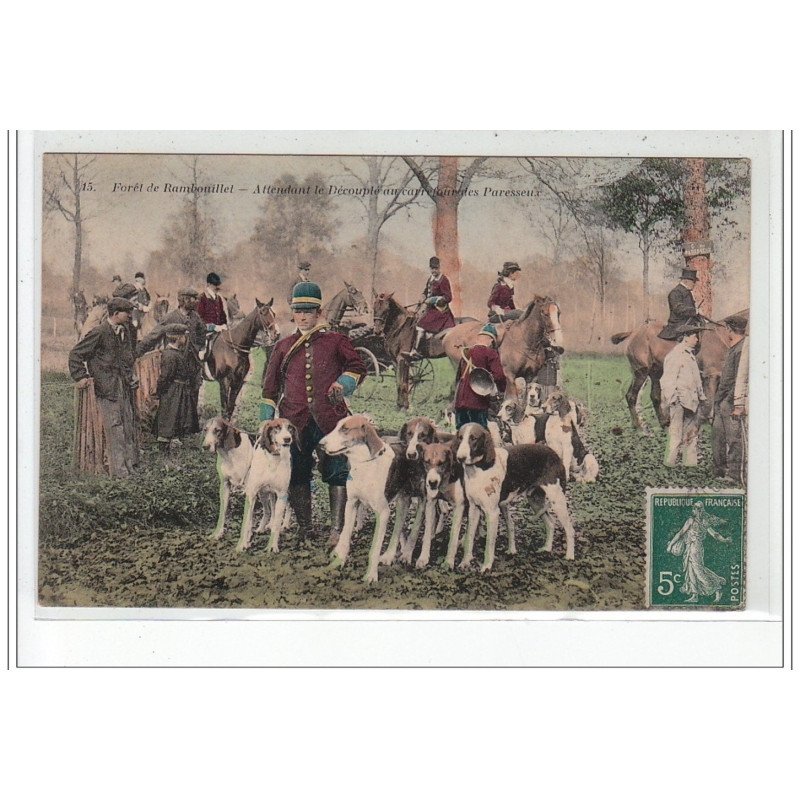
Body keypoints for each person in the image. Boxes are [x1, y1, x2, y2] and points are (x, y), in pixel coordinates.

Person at [260, 281, 367, 544]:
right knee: (297, 470)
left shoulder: (336, 341)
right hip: (294, 422)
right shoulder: (283, 346)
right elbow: (269, 389)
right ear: (293, 313)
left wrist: (344, 383)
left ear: (319, 312)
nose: (304, 316)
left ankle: (337, 529)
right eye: (299, 311)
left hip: (331, 419)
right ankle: (305, 528)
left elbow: (357, 366)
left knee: (337, 470)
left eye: (309, 311)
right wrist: (266, 424)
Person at [68, 297, 140, 478]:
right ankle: (119, 473)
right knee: (114, 428)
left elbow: (125, 359)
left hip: (122, 387)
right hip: (106, 389)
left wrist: (130, 376)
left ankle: (129, 466)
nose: (130, 315)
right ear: (115, 314)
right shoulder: (99, 332)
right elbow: (75, 354)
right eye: (127, 312)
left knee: (127, 426)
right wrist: (81, 376)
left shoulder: (123, 332)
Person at [137, 287, 206, 417]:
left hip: (193, 362)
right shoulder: (170, 318)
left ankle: (190, 423)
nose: (196, 301)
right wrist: (138, 351)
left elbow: (202, 331)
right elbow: (154, 335)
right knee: (175, 392)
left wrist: (200, 348)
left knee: (194, 389)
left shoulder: (195, 317)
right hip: (176, 362)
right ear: (184, 300)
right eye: (193, 299)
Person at [660, 318, 709, 467]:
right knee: (675, 434)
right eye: (694, 336)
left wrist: (701, 396)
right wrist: (673, 399)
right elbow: (667, 380)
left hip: (692, 401)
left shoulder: (690, 355)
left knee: (691, 434)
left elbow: (696, 379)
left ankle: (690, 464)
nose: (697, 339)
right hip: (679, 401)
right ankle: (670, 463)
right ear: (686, 338)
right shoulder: (676, 355)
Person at [667, 501, 732, 603]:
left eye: (697, 509)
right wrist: (724, 540)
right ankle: (695, 595)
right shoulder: (697, 521)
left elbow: (681, 533)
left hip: (695, 547)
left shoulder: (697, 521)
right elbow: (714, 534)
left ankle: (717, 587)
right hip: (691, 547)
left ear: (698, 510)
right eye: (696, 509)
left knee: (698, 570)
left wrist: (671, 545)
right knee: (691, 570)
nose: (696, 510)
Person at [151, 323, 200, 454]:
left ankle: (174, 443)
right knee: (169, 417)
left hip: (179, 390)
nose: (185, 339)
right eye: (184, 336)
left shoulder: (176, 353)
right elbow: (165, 376)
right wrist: (160, 391)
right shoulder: (170, 355)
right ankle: (163, 450)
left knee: (177, 417)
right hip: (173, 391)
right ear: (178, 338)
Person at [712, 315, 748, 485]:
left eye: (726, 328)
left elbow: (739, 378)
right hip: (722, 400)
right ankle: (720, 470)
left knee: (734, 438)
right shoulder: (733, 348)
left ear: (730, 330)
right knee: (718, 434)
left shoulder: (742, 349)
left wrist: (729, 400)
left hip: (731, 401)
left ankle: (734, 475)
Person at [453, 323, 507, 429]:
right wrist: (501, 390)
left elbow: (458, 377)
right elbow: (499, 376)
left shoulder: (466, 352)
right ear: (491, 340)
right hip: (477, 403)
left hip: (460, 402)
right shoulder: (490, 353)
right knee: (479, 434)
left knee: (462, 434)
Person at [406, 256, 456, 358]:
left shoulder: (443, 280)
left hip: (440, 311)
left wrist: (433, 300)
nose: (434, 271)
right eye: (432, 268)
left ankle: (417, 351)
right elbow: (426, 291)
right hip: (430, 309)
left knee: (420, 325)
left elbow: (448, 297)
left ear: (439, 268)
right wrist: (422, 296)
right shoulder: (431, 278)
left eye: (436, 268)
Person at [658, 268, 700, 340]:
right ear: (686, 281)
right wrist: (695, 311)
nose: (694, 284)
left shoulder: (687, 292)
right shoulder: (675, 292)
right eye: (693, 281)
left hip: (688, 323)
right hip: (678, 325)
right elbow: (679, 309)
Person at [196, 272, 228, 358]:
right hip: (205, 333)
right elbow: (199, 320)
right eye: (214, 285)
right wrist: (213, 327)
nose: (216, 287)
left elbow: (222, 315)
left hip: (219, 331)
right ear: (208, 284)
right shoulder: (202, 298)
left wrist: (224, 324)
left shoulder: (218, 298)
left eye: (217, 285)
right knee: (203, 355)